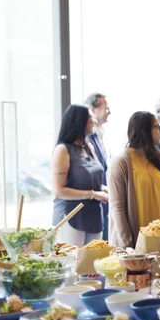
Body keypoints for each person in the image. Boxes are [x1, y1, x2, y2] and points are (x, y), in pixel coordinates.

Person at [108, 112, 160, 249]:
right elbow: (117, 207)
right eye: (156, 127)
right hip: (136, 244)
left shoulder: (156, 158)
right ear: (144, 131)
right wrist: (128, 243)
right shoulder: (122, 161)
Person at [51, 105, 108, 246]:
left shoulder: (89, 147)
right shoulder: (62, 150)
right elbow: (59, 190)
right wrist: (93, 194)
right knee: (74, 262)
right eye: (90, 118)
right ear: (79, 121)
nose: (94, 121)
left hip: (94, 215)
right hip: (71, 216)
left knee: (93, 260)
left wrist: (101, 188)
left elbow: (83, 179)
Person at [86, 92, 110, 240]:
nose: (109, 112)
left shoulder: (102, 135)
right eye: (105, 108)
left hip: (103, 195)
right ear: (92, 109)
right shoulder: (88, 138)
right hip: (93, 201)